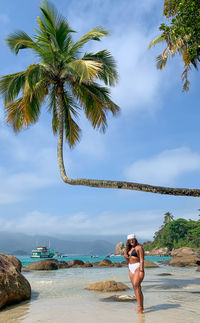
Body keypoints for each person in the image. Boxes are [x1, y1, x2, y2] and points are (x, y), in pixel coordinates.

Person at [124, 233, 145, 314]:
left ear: (135, 240)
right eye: (130, 240)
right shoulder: (128, 249)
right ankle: (141, 306)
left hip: (137, 267)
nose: (131, 241)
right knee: (136, 287)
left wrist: (141, 270)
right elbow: (128, 260)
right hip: (130, 267)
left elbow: (142, 260)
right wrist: (126, 257)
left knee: (136, 286)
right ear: (128, 241)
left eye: (132, 240)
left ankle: (140, 307)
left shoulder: (139, 248)